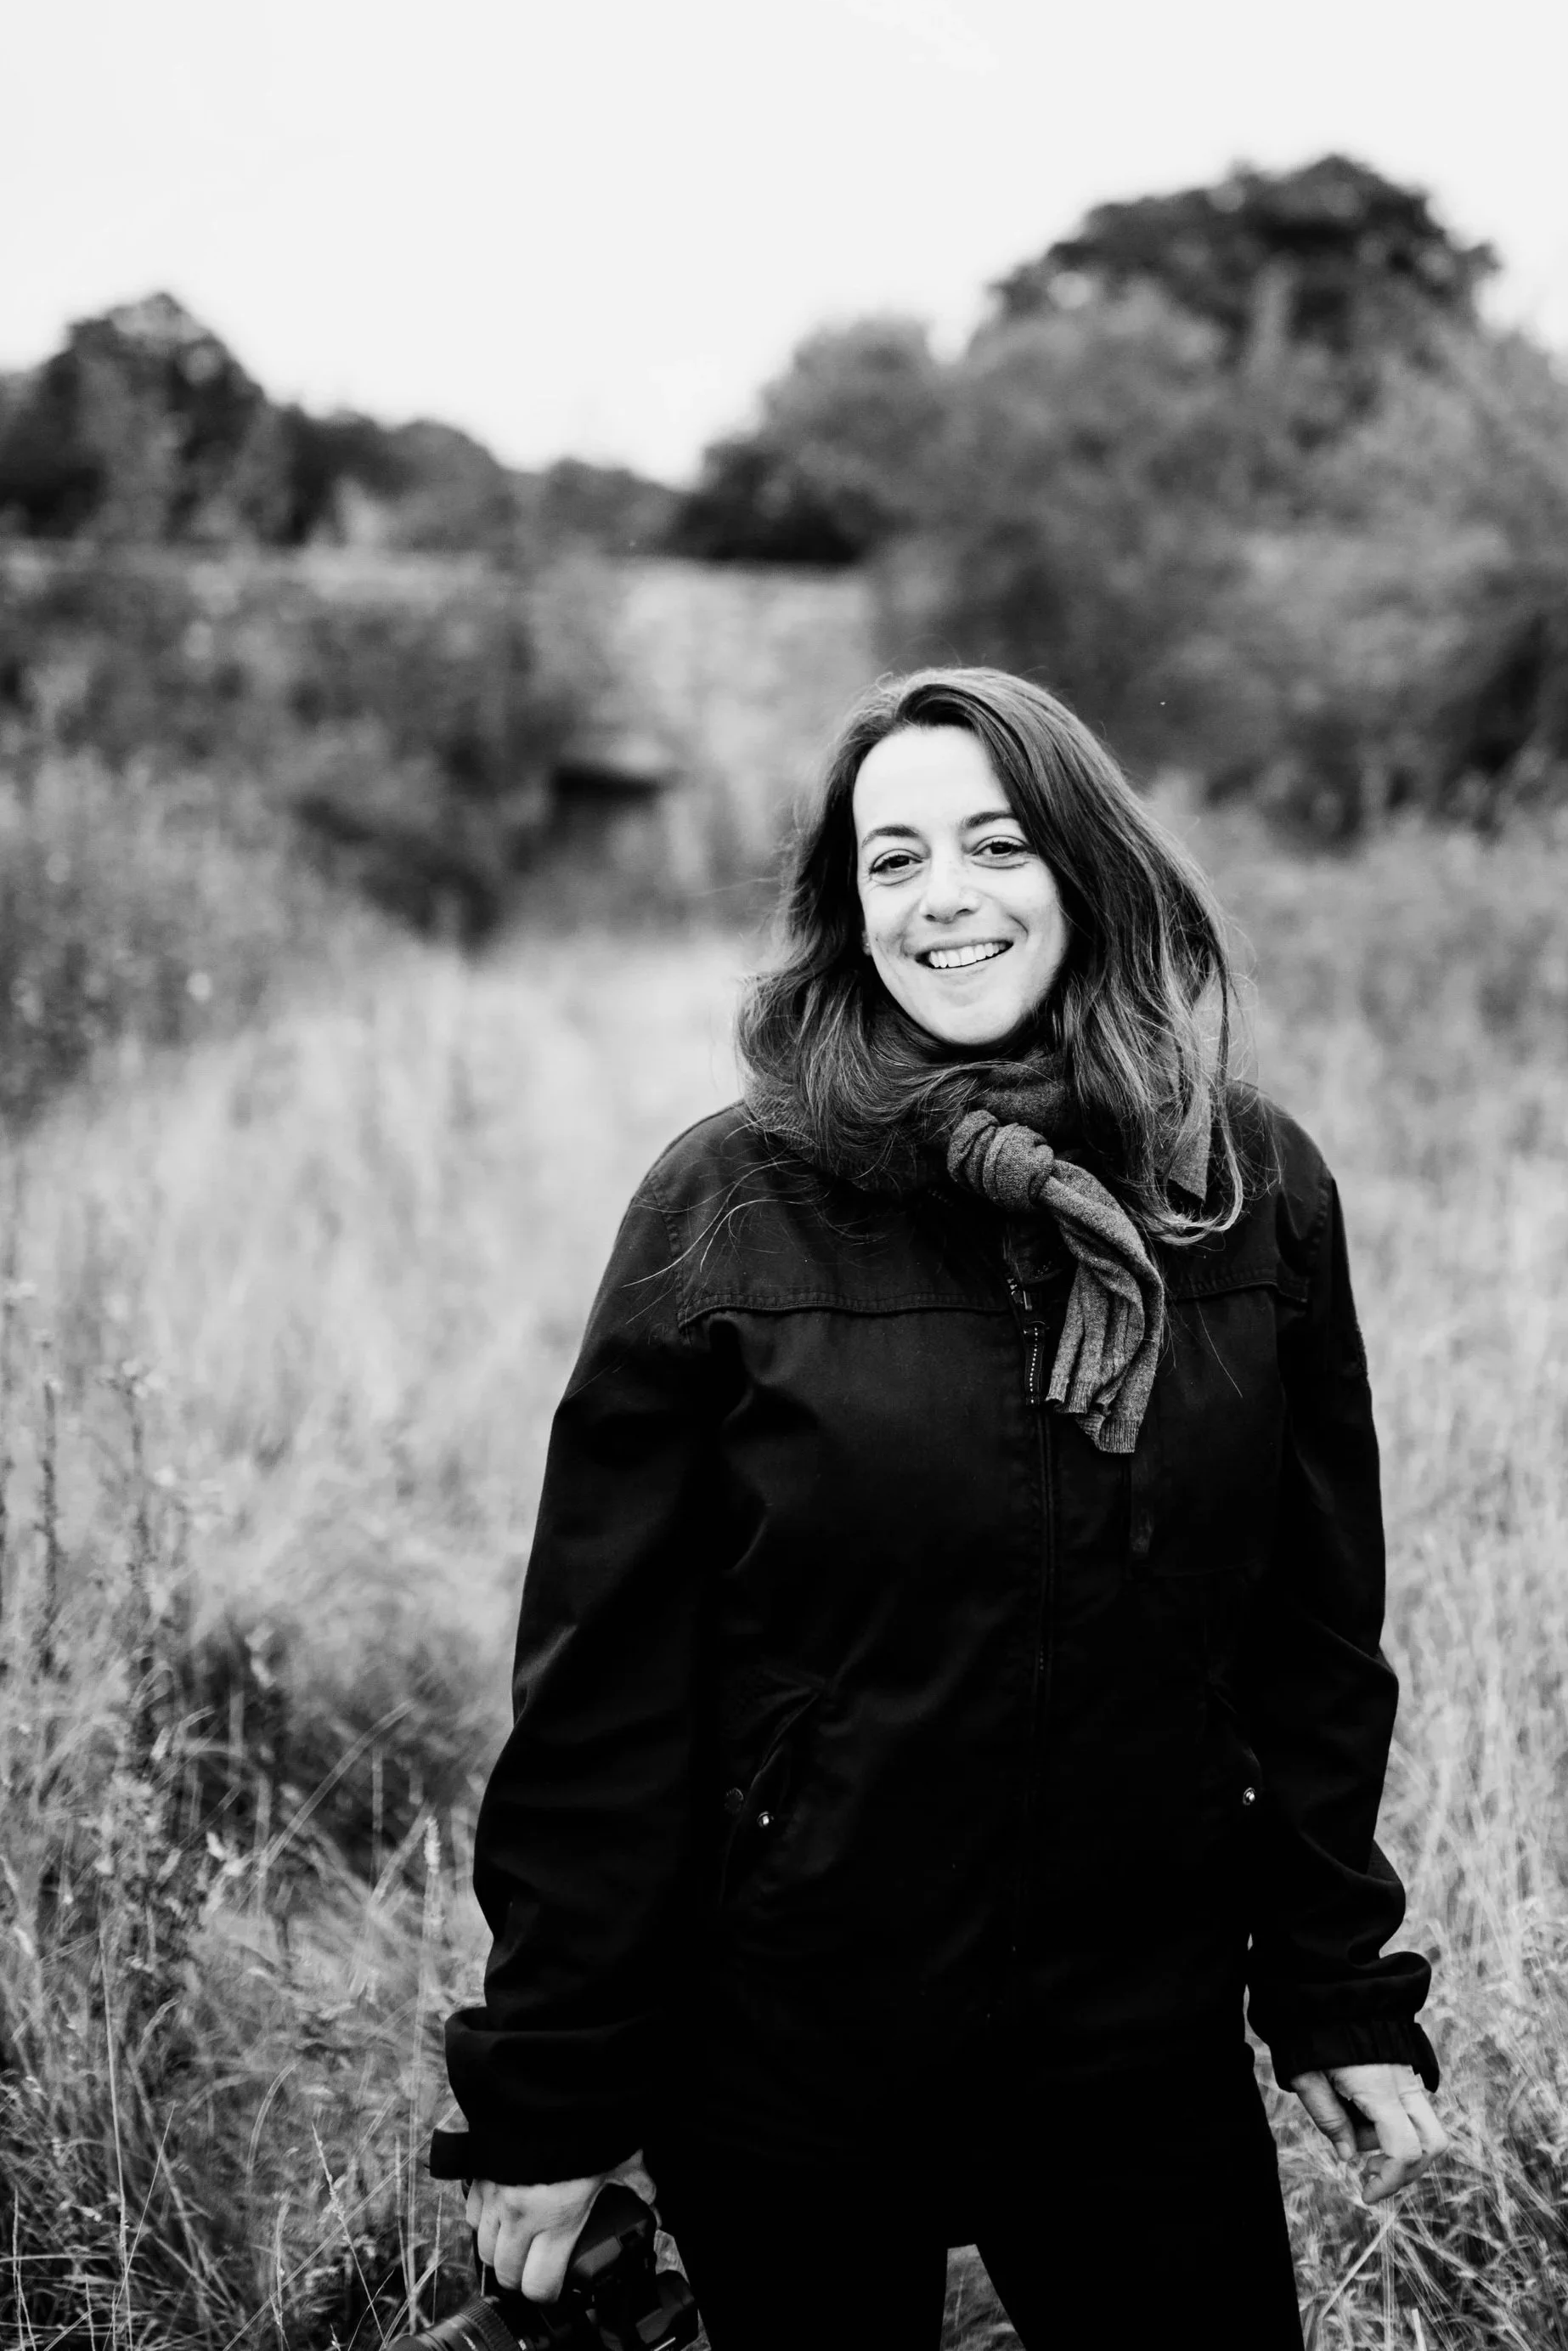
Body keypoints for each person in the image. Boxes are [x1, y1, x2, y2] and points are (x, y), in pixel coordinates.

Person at [435, 666, 1447, 2350]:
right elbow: (608, 1689)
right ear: (848, 907)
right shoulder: (728, 1201)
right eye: (892, 858)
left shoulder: (1245, 1192)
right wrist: (548, 2092)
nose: (945, 896)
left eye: (993, 841)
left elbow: (1308, 1636)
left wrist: (1332, 1984)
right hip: (789, 2036)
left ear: (1084, 866)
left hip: (1140, 2034)